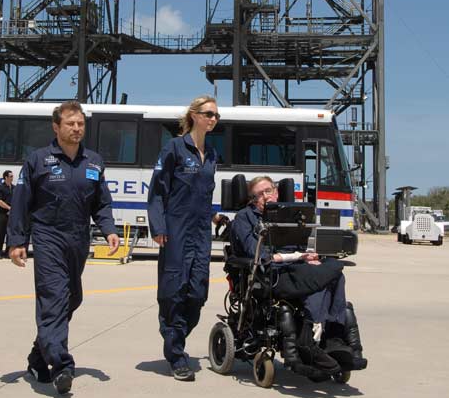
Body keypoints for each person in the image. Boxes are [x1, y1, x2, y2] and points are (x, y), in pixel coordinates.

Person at [7, 101, 120, 395]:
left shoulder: (93, 162)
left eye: (80, 123)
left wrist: (109, 230)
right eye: (70, 123)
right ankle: (61, 366)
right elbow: (20, 202)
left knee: (72, 297)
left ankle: (37, 357)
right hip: (48, 237)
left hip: (78, 238)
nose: (76, 128)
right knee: (54, 297)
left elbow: (102, 203)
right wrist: (17, 241)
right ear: (56, 127)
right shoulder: (38, 161)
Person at [230, 176, 367, 374]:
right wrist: (280, 257)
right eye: (259, 195)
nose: (265, 197)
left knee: (334, 271)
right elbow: (254, 251)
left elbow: (301, 243)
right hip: (273, 273)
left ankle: (335, 340)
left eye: (268, 190)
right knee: (328, 276)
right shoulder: (245, 217)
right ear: (253, 200)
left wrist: (308, 256)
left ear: (276, 191)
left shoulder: (290, 212)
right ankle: (311, 340)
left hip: (297, 264)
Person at [147, 96, 220, 382]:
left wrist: (214, 216)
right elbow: (157, 192)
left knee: (197, 293)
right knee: (173, 291)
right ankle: (176, 354)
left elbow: (202, 195)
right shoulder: (174, 149)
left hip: (201, 233)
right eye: (209, 114)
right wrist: (158, 226)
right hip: (176, 232)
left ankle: (172, 334)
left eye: (216, 115)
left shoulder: (212, 154)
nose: (213, 119)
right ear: (194, 115)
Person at [0, 170, 15, 259]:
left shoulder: (15, 188)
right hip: (3, 214)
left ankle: (7, 252)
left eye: (12, 176)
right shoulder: (0, 188)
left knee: (10, 234)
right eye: (10, 176)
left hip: (12, 214)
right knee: (1, 234)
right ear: (6, 177)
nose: (12, 178)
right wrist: (9, 208)